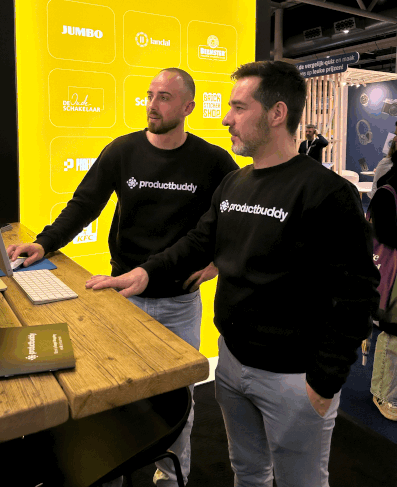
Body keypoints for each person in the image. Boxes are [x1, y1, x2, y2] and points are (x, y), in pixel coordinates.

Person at [87, 61, 380, 487]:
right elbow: (198, 243)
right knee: (248, 473)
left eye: (239, 108)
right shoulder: (235, 184)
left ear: (277, 113)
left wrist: (325, 381)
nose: (226, 119)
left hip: (293, 380)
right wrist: (145, 274)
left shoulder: (327, 193)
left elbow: (358, 293)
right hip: (231, 365)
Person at [7, 67, 238, 487]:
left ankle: (170, 479)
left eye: (164, 97)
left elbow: (236, 220)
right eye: (150, 95)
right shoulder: (123, 151)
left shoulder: (212, 161)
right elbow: (84, 205)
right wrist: (44, 243)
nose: (152, 105)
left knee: (177, 404)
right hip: (123, 301)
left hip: (178, 304)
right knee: (114, 403)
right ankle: (111, 476)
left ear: (188, 107)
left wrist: (217, 265)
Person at [367, 166, 397, 420]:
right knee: (393, 332)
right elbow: (385, 233)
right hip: (392, 273)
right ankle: (383, 394)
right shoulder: (388, 190)